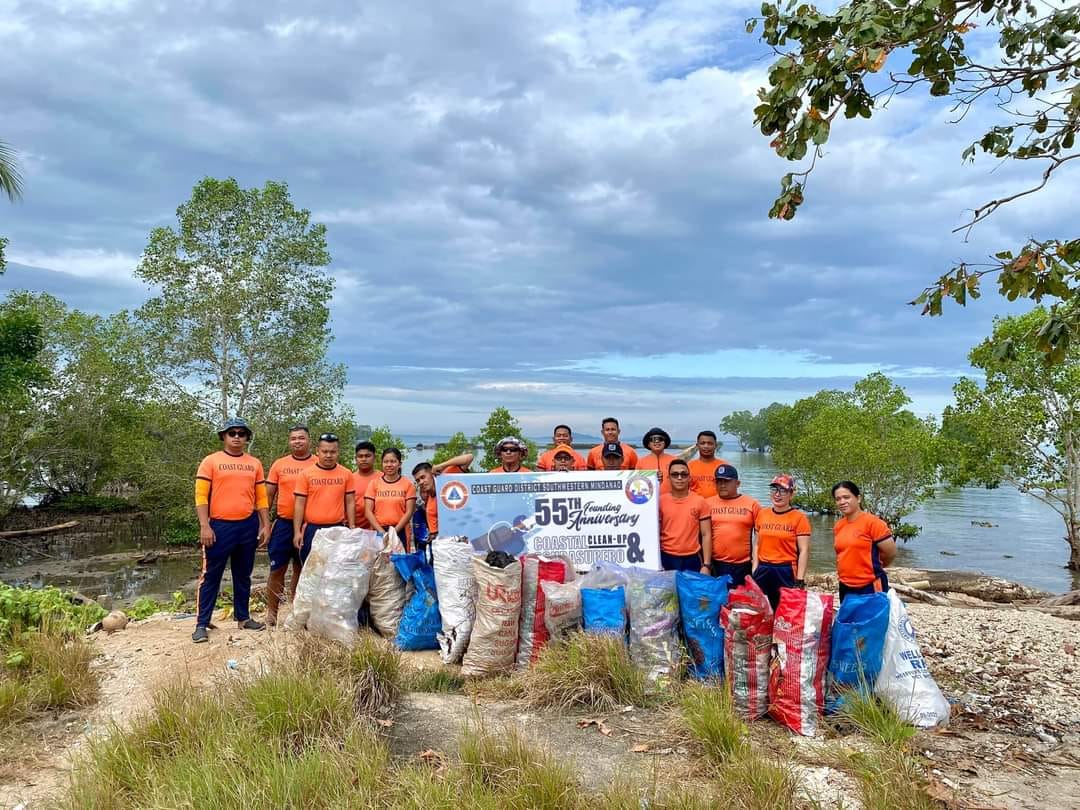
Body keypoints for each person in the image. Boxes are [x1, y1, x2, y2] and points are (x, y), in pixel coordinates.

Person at [192, 417, 271, 643]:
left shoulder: (254, 463)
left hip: (247, 525)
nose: (237, 437)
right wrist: (205, 525)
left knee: (243, 574)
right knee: (211, 576)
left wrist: (265, 524)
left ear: (247, 438)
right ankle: (201, 624)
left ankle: (243, 618)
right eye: (232, 433)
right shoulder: (211, 461)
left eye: (241, 433)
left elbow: (261, 497)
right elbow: (200, 496)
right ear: (223, 436)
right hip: (219, 525)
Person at [264, 425, 317, 625]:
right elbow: (268, 495)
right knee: (277, 568)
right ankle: (272, 613)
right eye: (293, 438)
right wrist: (265, 523)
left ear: (309, 440)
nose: (297, 442)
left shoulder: (318, 463)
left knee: (302, 569)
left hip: (308, 525)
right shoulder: (280, 464)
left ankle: (297, 612)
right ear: (289, 441)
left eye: (301, 438)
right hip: (284, 524)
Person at [292, 433, 356, 563]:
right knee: (311, 568)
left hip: (337, 528)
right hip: (312, 529)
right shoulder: (306, 474)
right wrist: (297, 532)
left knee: (335, 568)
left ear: (338, 452)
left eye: (333, 452)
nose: (328, 455)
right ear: (317, 451)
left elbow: (350, 502)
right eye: (325, 451)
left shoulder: (346, 474)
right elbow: (299, 505)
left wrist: (352, 526)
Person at [753, 473, 811, 609]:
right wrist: (755, 568)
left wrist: (800, 579)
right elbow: (756, 544)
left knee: (784, 609)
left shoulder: (799, 518)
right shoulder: (762, 514)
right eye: (774, 489)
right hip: (763, 568)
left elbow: (804, 550)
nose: (777, 494)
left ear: (791, 494)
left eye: (783, 491)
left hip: (786, 569)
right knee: (760, 608)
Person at [832, 480, 897, 601]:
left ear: (858, 498)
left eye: (846, 497)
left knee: (873, 614)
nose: (842, 502)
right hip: (845, 585)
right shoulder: (839, 525)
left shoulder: (873, 523)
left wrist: (873, 568)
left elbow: (890, 553)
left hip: (870, 585)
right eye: (838, 499)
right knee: (848, 613)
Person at [703, 464, 760, 585]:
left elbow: (761, 536)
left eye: (727, 481)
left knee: (739, 596)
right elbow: (702, 534)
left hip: (743, 565)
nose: (722, 485)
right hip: (715, 564)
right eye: (719, 481)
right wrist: (706, 564)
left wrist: (756, 562)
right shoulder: (706, 504)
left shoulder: (752, 504)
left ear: (737, 483)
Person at [657, 458, 711, 572]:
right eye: (675, 474)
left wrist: (706, 565)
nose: (679, 478)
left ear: (689, 478)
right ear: (668, 478)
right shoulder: (659, 501)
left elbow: (706, 534)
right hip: (666, 556)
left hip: (692, 558)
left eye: (683, 474)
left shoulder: (700, 501)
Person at [365, 447, 418, 548]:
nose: (389, 465)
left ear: (399, 464)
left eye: (393, 461)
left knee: (400, 557)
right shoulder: (374, 484)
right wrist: (382, 532)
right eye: (386, 462)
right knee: (379, 557)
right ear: (382, 463)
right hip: (378, 530)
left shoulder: (408, 484)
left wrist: (393, 532)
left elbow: (409, 512)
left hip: (400, 530)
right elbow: (368, 511)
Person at [412, 452, 474, 538]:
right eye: (418, 480)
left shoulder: (446, 476)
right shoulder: (429, 508)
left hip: (471, 527)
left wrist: (442, 465)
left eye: (423, 477)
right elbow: (434, 533)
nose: (421, 482)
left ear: (431, 473)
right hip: (452, 540)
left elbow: (469, 457)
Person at [637, 427, 679, 493]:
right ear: (648, 444)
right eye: (653, 439)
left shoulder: (674, 460)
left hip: (671, 497)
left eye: (660, 439)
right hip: (648, 497)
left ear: (665, 443)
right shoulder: (641, 462)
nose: (657, 441)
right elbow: (637, 482)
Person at [688, 431, 730, 496]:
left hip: (718, 502)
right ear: (697, 445)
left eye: (710, 443)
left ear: (715, 445)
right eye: (702, 443)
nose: (706, 446)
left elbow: (731, 488)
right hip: (695, 502)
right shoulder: (689, 466)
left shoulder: (724, 466)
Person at [352, 440, 379, 529]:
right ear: (355, 458)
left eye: (367, 456)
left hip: (378, 528)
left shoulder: (383, 478)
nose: (364, 459)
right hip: (355, 528)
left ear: (374, 457)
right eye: (360, 456)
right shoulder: (349, 479)